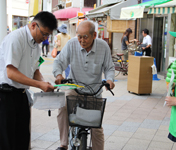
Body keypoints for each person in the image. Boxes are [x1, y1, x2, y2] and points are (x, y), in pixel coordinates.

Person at [53, 20, 115, 150]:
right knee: (62, 105)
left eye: (85, 37)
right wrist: (58, 75)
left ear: (94, 35)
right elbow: (59, 62)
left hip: (94, 91)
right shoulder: (71, 44)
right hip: (75, 88)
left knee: (96, 127)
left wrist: (109, 80)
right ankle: (63, 144)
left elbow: (109, 68)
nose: (81, 40)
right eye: (79, 36)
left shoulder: (103, 47)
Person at [0, 11, 57, 150]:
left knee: (23, 138)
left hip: (21, 95)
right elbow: (11, 73)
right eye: (44, 33)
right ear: (33, 25)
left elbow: (36, 71)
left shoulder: (36, 46)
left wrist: (45, 83)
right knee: (7, 141)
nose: (44, 38)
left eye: (48, 35)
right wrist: (39, 84)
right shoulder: (16, 38)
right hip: (5, 96)